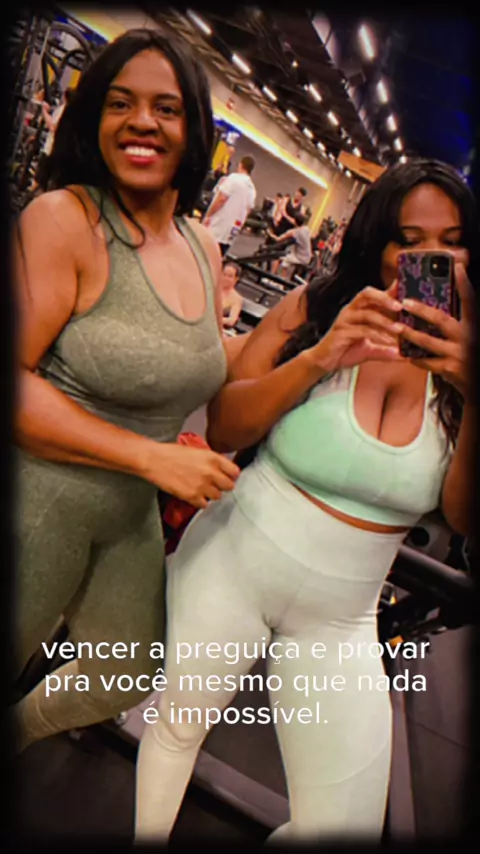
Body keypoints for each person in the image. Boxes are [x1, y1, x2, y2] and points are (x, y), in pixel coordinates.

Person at [135, 158, 476, 842]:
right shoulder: (317, 311)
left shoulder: (466, 361)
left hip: (341, 620)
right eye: (409, 240)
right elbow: (226, 428)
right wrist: (322, 357)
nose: (430, 258)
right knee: (176, 730)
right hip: (234, 560)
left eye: (452, 241)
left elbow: (464, 517)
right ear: (378, 243)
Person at [12, 27, 242, 753]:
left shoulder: (202, 245)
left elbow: (195, 359)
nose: (141, 121)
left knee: (126, 668)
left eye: (165, 108)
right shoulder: (66, 219)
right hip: (40, 500)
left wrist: (317, 343)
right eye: (120, 103)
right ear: (95, 118)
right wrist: (152, 458)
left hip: (126, 512)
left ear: (195, 129)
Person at [203, 155, 256, 256]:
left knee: (204, 254)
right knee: (218, 258)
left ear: (241, 165)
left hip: (218, 226)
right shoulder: (252, 189)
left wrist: (208, 215)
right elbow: (248, 210)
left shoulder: (233, 178)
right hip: (232, 231)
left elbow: (221, 199)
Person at [268, 212, 312, 277]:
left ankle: (276, 278)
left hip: (300, 257)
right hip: (307, 256)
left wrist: (269, 233)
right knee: (287, 258)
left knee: (281, 259)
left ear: (295, 221)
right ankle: (281, 279)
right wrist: (286, 215)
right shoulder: (307, 229)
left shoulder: (293, 232)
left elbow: (278, 239)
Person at [219, 260, 243, 329]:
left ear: (236, 279)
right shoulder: (212, 288)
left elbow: (231, 320)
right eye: (224, 274)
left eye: (230, 276)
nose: (226, 278)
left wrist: (216, 320)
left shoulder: (237, 298)